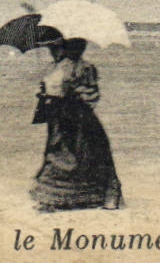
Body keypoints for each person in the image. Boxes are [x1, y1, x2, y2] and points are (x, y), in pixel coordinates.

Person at [30, 34, 122, 211]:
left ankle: (58, 198)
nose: (51, 51)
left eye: (54, 48)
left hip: (68, 118)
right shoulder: (82, 67)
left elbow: (67, 92)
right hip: (78, 118)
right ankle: (93, 196)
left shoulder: (66, 67)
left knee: (65, 153)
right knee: (86, 154)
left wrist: (48, 92)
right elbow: (92, 95)